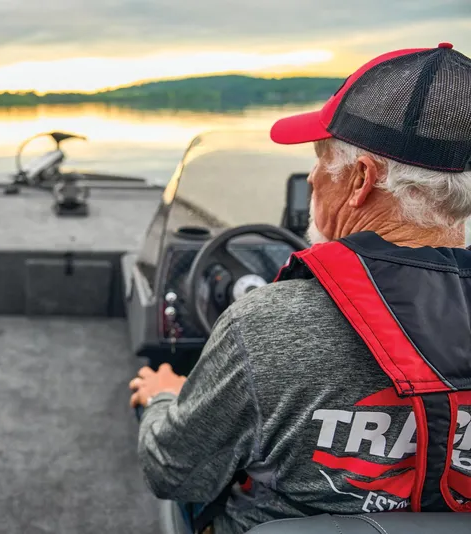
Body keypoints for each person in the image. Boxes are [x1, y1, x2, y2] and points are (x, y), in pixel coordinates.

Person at [130, 42, 471, 533]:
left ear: (360, 180)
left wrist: (164, 397)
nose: (311, 177)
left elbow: (171, 470)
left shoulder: (267, 322)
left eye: (320, 158)